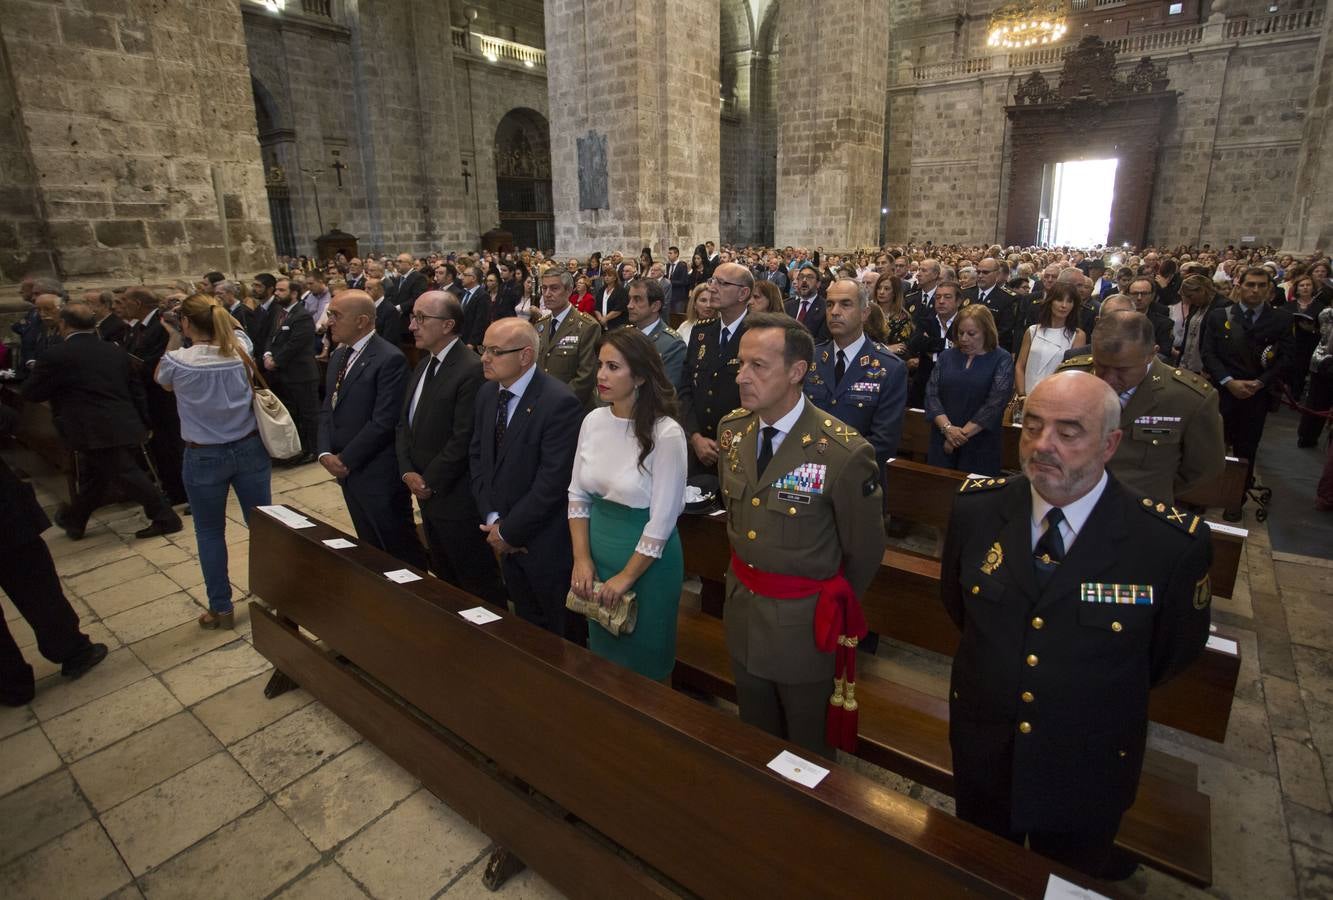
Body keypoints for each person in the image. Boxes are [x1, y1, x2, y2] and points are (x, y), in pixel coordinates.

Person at [942, 370, 1211, 880]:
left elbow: (1170, 654)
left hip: (1086, 760)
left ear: (1110, 444)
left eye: (1069, 432)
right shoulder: (978, 510)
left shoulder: (1166, 545)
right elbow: (959, 607)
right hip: (984, 749)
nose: (1043, 445)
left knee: (1067, 881)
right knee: (980, 871)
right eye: (1032, 426)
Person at [718, 313, 886, 757]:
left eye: (758, 365)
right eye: (741, 364)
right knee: (754, 737)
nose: (742, 376)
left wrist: (823, 603)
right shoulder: (733, 431)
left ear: (797, 372)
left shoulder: (843, 453)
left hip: (804, 630)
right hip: (743, 614)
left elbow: (864, 552)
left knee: (807, 752)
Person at [568, 328, 687, 681]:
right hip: (597, 554)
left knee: (644, 666)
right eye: (600, 365)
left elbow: (662, 523)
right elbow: (577, 494)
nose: (601, 375)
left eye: (613, 367)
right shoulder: (593, 421)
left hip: (646, 565)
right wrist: (582, 559)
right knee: (603, 662)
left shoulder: (666, 434)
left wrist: (625, 578)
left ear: (639, 376)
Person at [154, 294, 272, 630]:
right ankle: (274, 595)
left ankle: (221, 608)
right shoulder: (240, 350)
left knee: (209, 532)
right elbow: (236, 330)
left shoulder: (178, 360)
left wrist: (175, 334)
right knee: (262, 528)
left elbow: (160, 381)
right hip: (248, 448)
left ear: (187, 323)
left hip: (204, 453)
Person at [22, 302, 183, 540]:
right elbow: (135, 387)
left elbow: (32, 393)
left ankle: (165, 516)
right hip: (122, 420)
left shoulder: (56, 356)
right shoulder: (114, 350)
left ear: (64, 325)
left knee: (126, 473)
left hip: (91, 427)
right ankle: (74, 519)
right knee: (96, 476)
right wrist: (143, 419)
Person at [470, 317, 584, 643]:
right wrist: (493, 519)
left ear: (525, 356)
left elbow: (552, 483)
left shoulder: (558, 402)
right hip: (502, 536)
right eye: (483, 349)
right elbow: (478, 458)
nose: (484, 358)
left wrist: (509, 530)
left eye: (494, 351)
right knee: (527, 628)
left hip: (544, 545)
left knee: (560, 634)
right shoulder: (487, 394)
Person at [396, 291, 505, 605]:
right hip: (427, 495)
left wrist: (428, 480)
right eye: (413, 317)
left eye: (421, 318)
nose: (412, 325)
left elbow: (464, 438)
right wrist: (407, 471)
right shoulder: (423, 365)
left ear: (447, 325)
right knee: (447, 580)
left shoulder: (469, 369)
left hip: (457, 500)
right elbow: (404, 424)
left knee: (475, 582)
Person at [1058, 311, 1225, 504]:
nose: (1109, 378)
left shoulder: (1188, 399)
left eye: (1122, 370)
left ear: (1151, 355)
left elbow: (1205, 468)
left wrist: (1154, 490)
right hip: (1073, 504)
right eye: (1101, 366)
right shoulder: (1069, 379)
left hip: (1140, 513)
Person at [317, 291, 427, 568]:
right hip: (347, 472)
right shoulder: (339, 356)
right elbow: (327, 408)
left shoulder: (388, 358)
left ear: (362, 321)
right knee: (370, 545)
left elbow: (384, 421)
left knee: (398, 545)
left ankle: (415, 601)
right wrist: (324, 452)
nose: (329, 321)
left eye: (336, 315)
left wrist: (346, 459)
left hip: (377, 473)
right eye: (329, 314)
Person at [0, 456, 108, 706]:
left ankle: (11, 684)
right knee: (36, 586)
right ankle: (71, 649)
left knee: (36, 584)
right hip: (7, 518)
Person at [1201, 265, 1298, 520]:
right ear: (1240, 286)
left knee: (1246, 449)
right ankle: (1206, 492)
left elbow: (1286, 359)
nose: (1255, 290)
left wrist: (1260, 383)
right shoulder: (1219, 315)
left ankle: (1236, 497)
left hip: (1257, 395)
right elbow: (1209, 352)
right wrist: (1228, 380)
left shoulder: (1282, 319)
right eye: (1250, 284)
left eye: (1261, 286)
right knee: (1212, 445)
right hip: (1224, 391)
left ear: (1269, 289)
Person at [803, 278, 907, 469]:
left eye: (845, 304)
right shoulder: (811, 358)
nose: (834, 312)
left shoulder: (890, 368)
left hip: (858, 475)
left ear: (864, 313)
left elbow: (884, 441)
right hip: (808, 469)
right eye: (829, 304)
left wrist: (834, 463)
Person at [925, 304, 1015, 476]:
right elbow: (932, 395)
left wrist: (956, 438)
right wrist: (948, 429)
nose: (964, 338)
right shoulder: (947, 356)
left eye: (971, 334)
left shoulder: (1001, 359)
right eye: (960, 333)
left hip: (980, 444)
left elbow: (994, 404)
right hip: (941, 438)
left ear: (986, 332)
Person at [681, 263, 752, 469]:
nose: (712, 287)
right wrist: (695, 436)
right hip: (701, 449)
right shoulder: (702, 332)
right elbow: (686, 388)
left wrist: (732, 442)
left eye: (722, 283)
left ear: (743, 293)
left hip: (742, 451)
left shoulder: (758, 333)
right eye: (712, 281)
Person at [263, 277, 320, 465]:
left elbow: (295, 344)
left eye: (281, 290)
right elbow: (272, 337)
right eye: (276, 290)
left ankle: (315, 449)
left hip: (301, 374)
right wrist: (267, 354)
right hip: (285, 374)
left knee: (308, 414)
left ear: (294, 293)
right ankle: (300, 447)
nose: (276, 293)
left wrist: (276, 361)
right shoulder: (280, 313)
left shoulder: (301, 315)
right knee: (294, 412)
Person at [535, 269, 601, 409]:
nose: (547, 294)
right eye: (544, 288)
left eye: (554, 288)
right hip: (541, 404)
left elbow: (586, 377)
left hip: (570, 407)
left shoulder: (587, 327)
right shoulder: (541, 325)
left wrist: (556, 401)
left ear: (569, 290)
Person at [1014, 283, 1085, 396]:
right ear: (1050, 301)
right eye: (1059, 300)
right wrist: (1022, 395)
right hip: (1026, 395)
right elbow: (1020, 366)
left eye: (1069, 301)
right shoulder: (1033, 331)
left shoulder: (1077, 335)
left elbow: (1072, 375)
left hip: (1055, 398)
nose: (1064, 305)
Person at [626, 277, 686, 390]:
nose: (629, 305)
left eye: (637, 299)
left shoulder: (672, 345)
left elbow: (666, 393)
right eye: (629, 299)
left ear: (655, 306)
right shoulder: (626, 335)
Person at [963, 258, 1020, 353]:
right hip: (965, 348)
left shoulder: (1008, 298)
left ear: (997, 274)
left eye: (985, 272)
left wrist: (980, 343)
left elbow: (1004, 330)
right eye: (978, 272)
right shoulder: (966, 294)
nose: (980, 276)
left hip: (991, 350)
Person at [784, 263, 829, 342]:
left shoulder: (825, 308)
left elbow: (822, 340)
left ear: (818, 284)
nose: (804, 280)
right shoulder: (787, 305)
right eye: (801, 277)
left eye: (809, 277)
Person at [594, 261, 632, 330]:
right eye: (605, 276)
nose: (606, 277)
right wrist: (600, 319)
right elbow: (597, 306)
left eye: (609, 276)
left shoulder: (621, 291)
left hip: (617, 325)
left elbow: (619, 309)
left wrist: (605, 318)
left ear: (615, 278)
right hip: (602, 325)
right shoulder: (601, 290)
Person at [666, 245, 691, 312]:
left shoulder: (682, 265)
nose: (668, 255)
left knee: (678, 316)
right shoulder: (668, 265)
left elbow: (683, 281)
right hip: (669, 296)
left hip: (678, 297)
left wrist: (670, 282)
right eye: (668, 253)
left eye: (670, 253)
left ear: (676, 254)